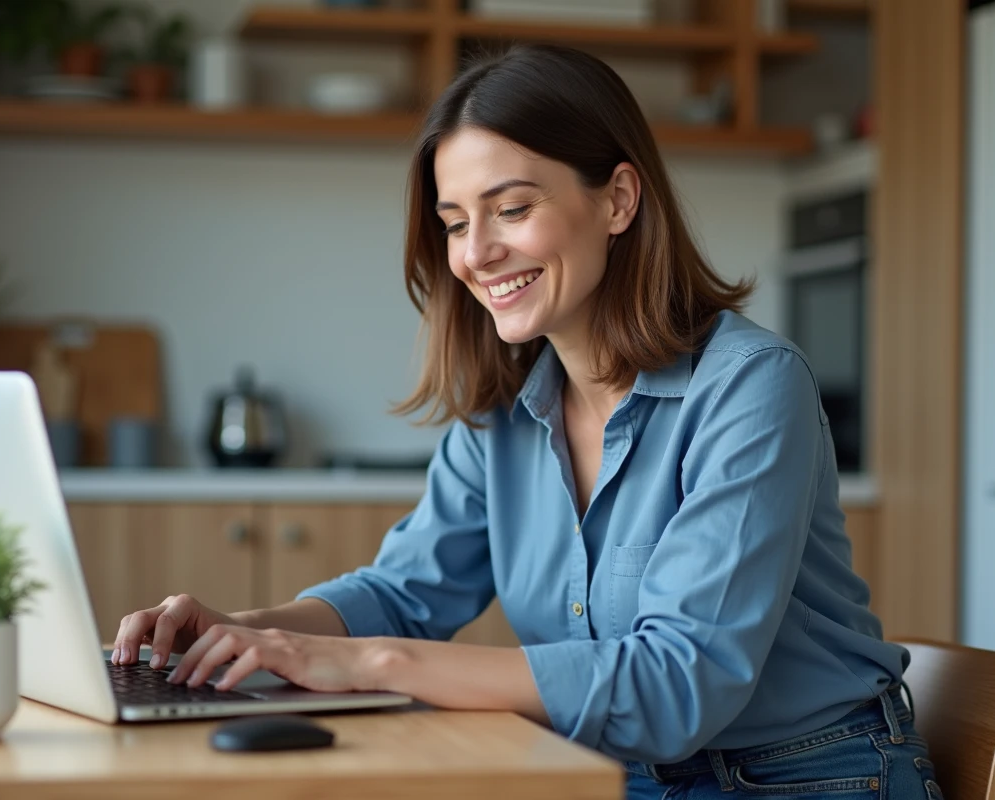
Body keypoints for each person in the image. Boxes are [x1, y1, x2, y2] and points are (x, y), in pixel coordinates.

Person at [112, 45, 943, 800]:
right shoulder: (506, 408)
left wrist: (367, 663)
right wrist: (244, 632)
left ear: (617, 199)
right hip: (606, 775)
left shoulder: (751, 390)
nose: (475, 253)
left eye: (510, 209)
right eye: (454, 222)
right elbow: (404, 594)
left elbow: (674, 688)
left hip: (808, 779)